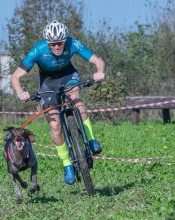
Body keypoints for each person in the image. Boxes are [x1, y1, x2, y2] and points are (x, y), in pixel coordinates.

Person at [11, 20, 105, 185]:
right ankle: (67, 164)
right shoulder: (38, 50)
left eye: (60, 43)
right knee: (55, 125)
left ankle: (91, 140)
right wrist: (20, 92)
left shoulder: (73, 43)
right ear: (48, 43)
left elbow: (98, 61)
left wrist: (99, 72)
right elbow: (15, 76)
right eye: (53, 44)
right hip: (48, 83)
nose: (57, 47)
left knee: (76, 100)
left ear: (65, 40)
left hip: (69, 76)